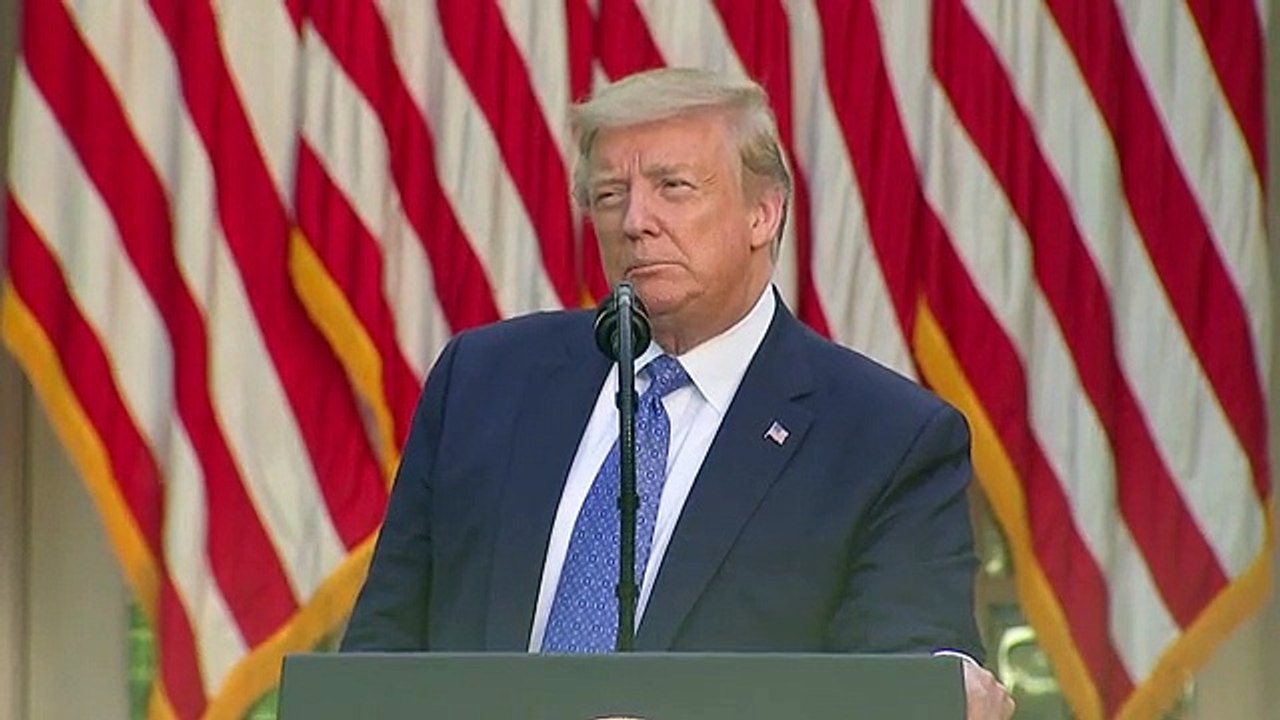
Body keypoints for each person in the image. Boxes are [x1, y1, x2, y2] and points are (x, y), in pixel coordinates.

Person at [342, 67, 1013, 719]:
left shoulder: (886, 440)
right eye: (609, 196)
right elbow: (378, 658)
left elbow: (892, 695)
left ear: (763, 213)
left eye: (674, 187)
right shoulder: (483, 381)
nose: (636, 220)